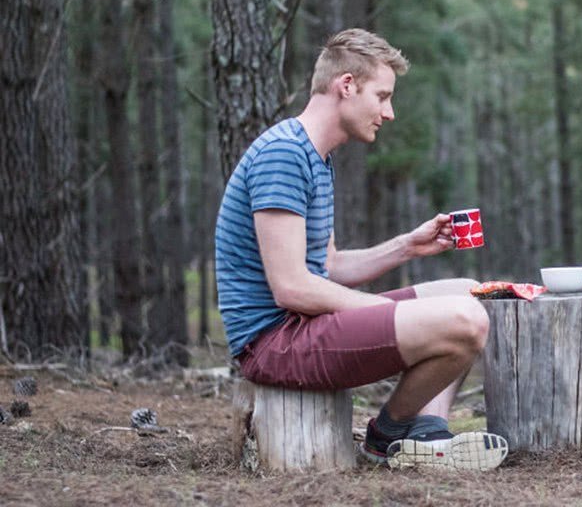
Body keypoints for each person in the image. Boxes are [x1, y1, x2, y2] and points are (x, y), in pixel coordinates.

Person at [214, 28, 507, 471]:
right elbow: (291, 288)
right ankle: (386, 436)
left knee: (470, 293)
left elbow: (326, 266)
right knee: (465, 321)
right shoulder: (284, 155)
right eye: (383, 96)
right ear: (346, 86)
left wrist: (407, 247)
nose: (389, 113)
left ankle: (427, 433)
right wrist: (380, 314)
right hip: (274, 343)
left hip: (304, 326)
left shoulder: (315, 156)